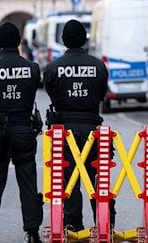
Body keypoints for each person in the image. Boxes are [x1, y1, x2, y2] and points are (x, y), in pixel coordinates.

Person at [0, 22, 43, 243]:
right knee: (28, 181)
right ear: (18, 40)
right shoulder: (32, 68)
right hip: (24, 129)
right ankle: (32, 233)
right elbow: (33, 90)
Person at [44, 19, 115, 233]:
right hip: (94, 127)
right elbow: (101, 94)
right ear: (84, 39)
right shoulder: (99, 66)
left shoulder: (53, 68)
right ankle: (105, 223)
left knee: (70, 177)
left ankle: (73, 222)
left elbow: (52, 93)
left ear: (64, 40)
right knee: (99, 176)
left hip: (65, 131)